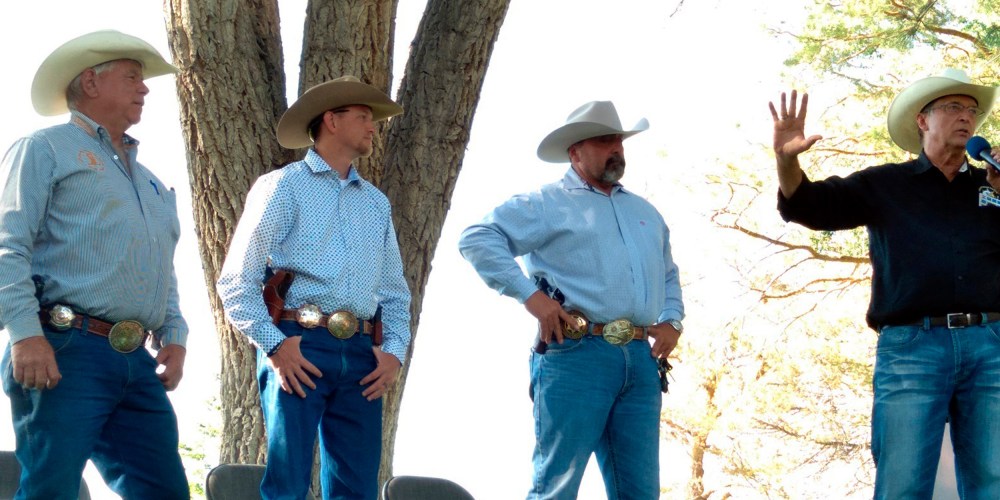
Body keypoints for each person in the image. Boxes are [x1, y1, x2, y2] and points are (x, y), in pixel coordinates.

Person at [770, 68, 1000, 498]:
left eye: (972, 110)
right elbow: (810, 206)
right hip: (913, 347)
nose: (966, 116)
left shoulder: (992, 186)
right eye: (953, 107)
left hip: (992, 345)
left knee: (994, 483)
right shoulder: (885, 184)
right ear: (922, 120)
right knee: (902, 483)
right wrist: (787, 159)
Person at [459, 100, 684, 499]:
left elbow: (667, 273)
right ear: (575, 152)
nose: (615, 148)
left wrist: (672, 320)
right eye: (603, 141)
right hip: (576, 354)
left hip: (639, 358)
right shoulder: (546, 203)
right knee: (557, 487)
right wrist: (531, 297)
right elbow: (477, 237)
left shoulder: (644, 210)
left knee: (642, 492)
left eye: (618, 140)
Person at [0, 30, 190, 499]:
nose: (144, 89)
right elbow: (8, 246)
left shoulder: (151, 182)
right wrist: (25, 334)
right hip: (64, 349)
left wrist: (176, 333)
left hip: (136, 360)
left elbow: (160, 265)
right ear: (90, 82)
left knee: (166, 491)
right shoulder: (45, 148)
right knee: (51, 490)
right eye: (132, 77)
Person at [216, 75, 411, 500]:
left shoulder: (377, 203)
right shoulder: (283, 185)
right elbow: (236, 278)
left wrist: (394, 352)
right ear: (332, 121)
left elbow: (395, 292)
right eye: (363, 116)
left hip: (362, 356)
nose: (373, 126)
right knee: (287, 484)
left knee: (356, 490)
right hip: (298, 345)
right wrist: (275, 344)